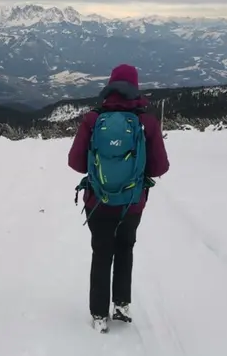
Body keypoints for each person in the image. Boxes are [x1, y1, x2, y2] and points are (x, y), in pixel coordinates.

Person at [67, 63, 170, 332]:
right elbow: (159, 167)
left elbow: (75, 163)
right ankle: (121, 304)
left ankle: (99, 314)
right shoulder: (146, 121)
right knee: (125, 249)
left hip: (97, 201)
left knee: (101, 253)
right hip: (132, 203)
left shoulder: (93, 119)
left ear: (110, 85)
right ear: (135, 87)